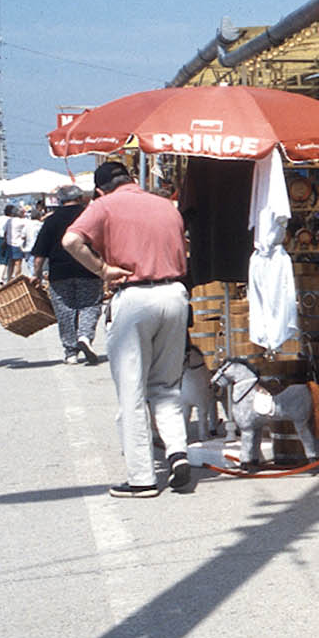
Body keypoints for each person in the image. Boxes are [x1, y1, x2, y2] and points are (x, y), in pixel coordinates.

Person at [62, 159, 194, 498]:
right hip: (175, 294)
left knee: (132, 390)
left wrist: (102, 269)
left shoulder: (104, 205)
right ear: (132, 179)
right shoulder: (166, 205)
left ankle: (142, 478)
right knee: (166, 384)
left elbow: (71, 241)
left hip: (134, 297)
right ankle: (178, 452)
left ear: (101, 188)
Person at [33, 184, 103, 364]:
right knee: (90, 305)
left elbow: (40, 252)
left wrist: (37, 274)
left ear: (59, 200)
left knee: (65, 310)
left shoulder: (51, 220)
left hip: (60, 272)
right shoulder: (89, 216)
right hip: (89, 268)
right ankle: (85, 336)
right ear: (80, 198)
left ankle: (70, 352)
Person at [0, 202, 17, 282]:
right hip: (8, 240)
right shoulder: (11, 220)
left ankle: (0, 278)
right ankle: (6, 278)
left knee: (1, 259)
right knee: (8, 260)